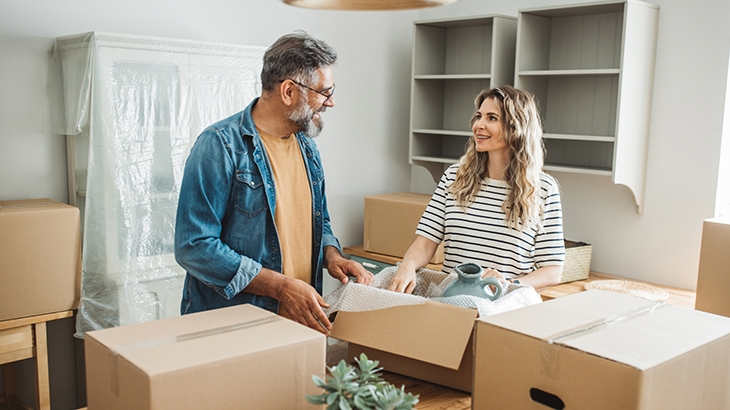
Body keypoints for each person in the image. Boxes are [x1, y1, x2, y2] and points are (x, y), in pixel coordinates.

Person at [174, 31, 373, 335]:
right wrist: (281, 288)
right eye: (324, 91)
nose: (330, 102)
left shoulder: (307, 148)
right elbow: (194, 246)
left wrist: (332, 256)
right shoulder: (219, 147)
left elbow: (316, 223)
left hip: (297, 329)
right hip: (234, 331)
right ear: (289, 91)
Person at [388, 85, 564, 294]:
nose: (479, 124)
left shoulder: (543, 189)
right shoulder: (454, 177)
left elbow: (552, 270)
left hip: (503, 305)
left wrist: (508, 285)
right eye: (479, 116)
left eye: (492, 118)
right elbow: (426, 243)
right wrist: (407, 267)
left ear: (516, 127)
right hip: (452, 302)